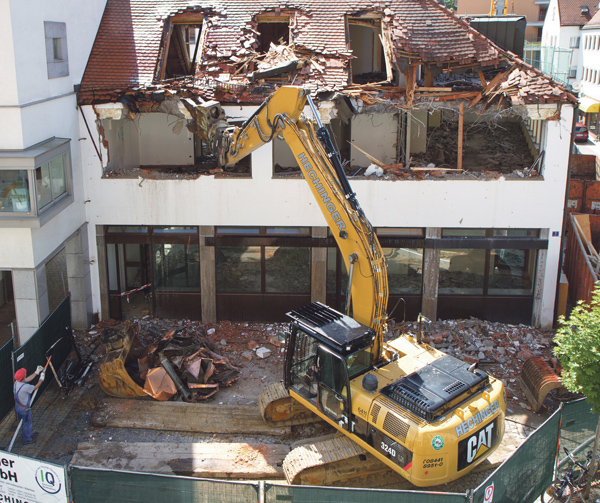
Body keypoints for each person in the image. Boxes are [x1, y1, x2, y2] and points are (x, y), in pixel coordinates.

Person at [13, 365, 45, 445]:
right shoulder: (25, 387)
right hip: (24, 409)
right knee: (27, 423)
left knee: (25, 422)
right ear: (22, 377)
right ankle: (27, 439)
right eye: (24, 375)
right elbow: (35, 387)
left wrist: (36, 372)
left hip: (18, 406)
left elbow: (28, 379)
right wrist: (41, 379)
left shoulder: (17, 383)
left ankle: (29, 434)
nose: (25, 375)